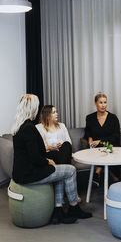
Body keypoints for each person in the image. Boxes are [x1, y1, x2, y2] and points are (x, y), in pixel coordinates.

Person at [12, 94, 92, 225]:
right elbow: (34, 157)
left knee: (59, 170)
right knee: (70, 170)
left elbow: (31, 154)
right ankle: (73, 207)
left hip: (24, 173)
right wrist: (47, 161)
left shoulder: (19, 127)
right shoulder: (29, 128)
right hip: (29, 174)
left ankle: (58, 211)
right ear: (33, 108)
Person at [84, 92, 120, 185]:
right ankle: (103, 174)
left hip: (110, 145)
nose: (103, 105)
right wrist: (90, 139)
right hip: (96, 148)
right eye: (101, 102)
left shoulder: (113, 118)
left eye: (105, 102)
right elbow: (88, 131)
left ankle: (97, 173)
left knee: (107, 150)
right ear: (95, 103)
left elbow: (116, 136)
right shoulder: (90, 118)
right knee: (98, 151)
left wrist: (100, 141)